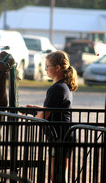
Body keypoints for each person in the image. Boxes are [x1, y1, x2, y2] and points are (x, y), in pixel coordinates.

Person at [25, 50, 78, 183]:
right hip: (64, 134)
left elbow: (45, 115)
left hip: (59, 135)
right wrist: (34, 108)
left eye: (47, 66)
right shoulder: (64, 86)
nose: (46, 70)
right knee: (61, 174)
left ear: (57, 68)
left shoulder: (56, 88)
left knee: (55, 176)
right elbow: (52, 109)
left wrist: (34, 115)